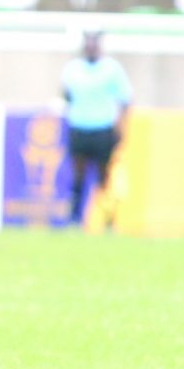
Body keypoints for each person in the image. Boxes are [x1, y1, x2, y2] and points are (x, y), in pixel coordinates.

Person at [61, 30, 132, 228]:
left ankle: (108, 220)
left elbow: (125, 99)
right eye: (88, 43)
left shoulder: (112, 69)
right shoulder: (72, 69)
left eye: (95, 43)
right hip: (79, 127)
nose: (91, 46)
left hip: (103, 128)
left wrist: (122, 127)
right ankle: (74, 219)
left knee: (105, 177)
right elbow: (66, 95)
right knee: (78, 174)